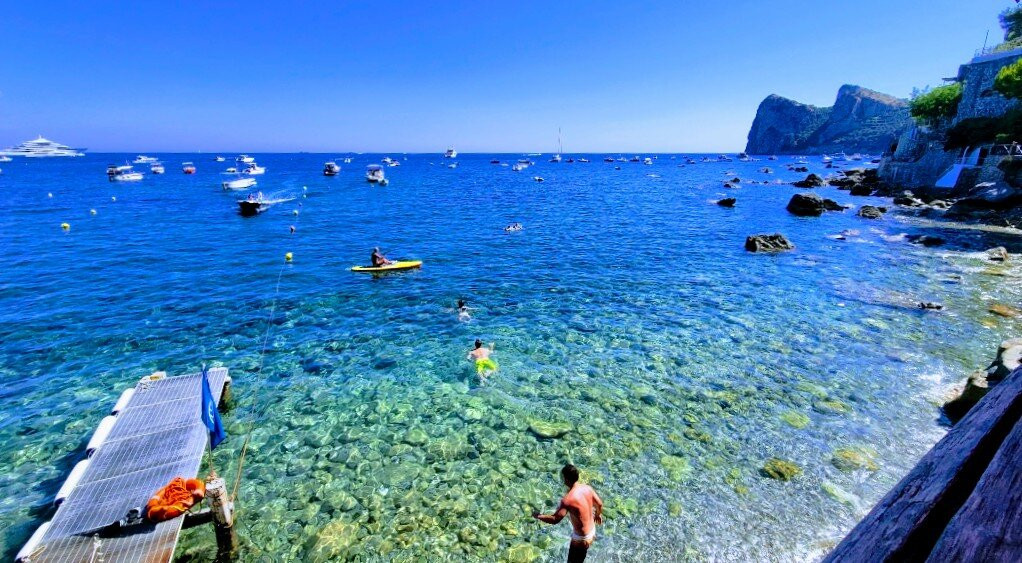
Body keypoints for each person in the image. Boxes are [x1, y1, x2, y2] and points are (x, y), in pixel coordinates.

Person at [533, 464, 604, 563]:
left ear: (566, 479)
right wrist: (598, 515)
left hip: (581, 539)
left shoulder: (567, 500)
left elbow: (555, 520)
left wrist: (538, 516)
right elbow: (599, 504)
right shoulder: (587, 488)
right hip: (592, 531)